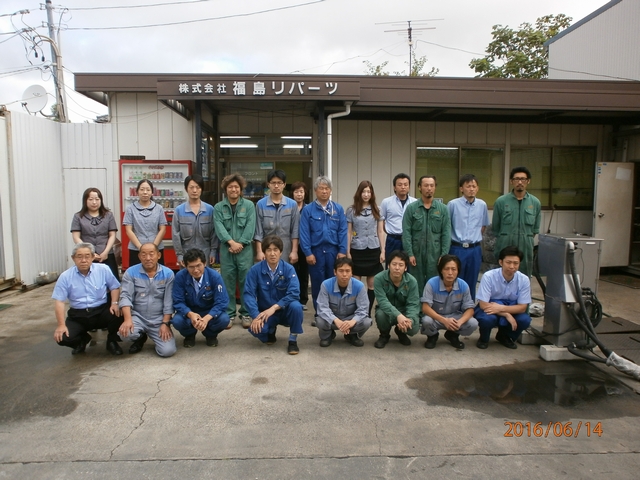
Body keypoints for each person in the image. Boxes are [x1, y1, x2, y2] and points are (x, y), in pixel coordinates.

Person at [52, 242, 123, 355]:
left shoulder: (103, 269)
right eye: (79, 257)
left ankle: (112, 341)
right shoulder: (65, 276)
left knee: (120, 312)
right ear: (73, 258)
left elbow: (115, 287)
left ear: (93, 256)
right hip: (78, 315)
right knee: (62, 337)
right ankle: (82, 340)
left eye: (87, 256)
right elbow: (59, 301)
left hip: (101, 311)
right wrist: (61, 325)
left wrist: (114, 303)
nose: (84, 260)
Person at [299, 176, 348, 324]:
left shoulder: (338, 209)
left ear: (331, 191)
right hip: (316, 253)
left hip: (334, 252)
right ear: (315, 191)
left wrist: (342, 251)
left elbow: (343, 231)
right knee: (318, 284)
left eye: (327, 188)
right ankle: (320, 315)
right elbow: (304, 233)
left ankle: (334, 314)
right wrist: (308, 252)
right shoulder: (308, 210)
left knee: (334, 283)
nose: (324, 191)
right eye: (321, 188)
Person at [244, 235, 304, 355]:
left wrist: (274, 307)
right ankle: (270, 331)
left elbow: (294, 293)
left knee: (297, 307)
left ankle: (293, 339)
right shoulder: (255, 270)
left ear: (281, 252)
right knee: (256, 330)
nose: (272, 254)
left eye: (275, 250)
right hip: (265, 313)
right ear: (264, 252)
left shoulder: (289, 269)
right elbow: (248, 294)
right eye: (269, 250)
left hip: (285, 310)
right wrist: (256, 316)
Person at [118, 243, 176, 357]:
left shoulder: (168, 274)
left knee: (168, 351)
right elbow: (125, 296)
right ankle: (140, 336)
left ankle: (156, 337)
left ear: (158, 255)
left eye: (151, 254)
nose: (148, 258)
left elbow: (168, 301)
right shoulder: (130, 272)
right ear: (139, 256)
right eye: (143, 254)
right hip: (138, 316)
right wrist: (128, 320)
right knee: (125, 334)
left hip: (158, 319)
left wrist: (165, 323)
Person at [214, 173, 256, 329]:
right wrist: (231, 242)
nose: (233, 189)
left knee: (246, 282)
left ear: (241, 189)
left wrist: (241, 244)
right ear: (226, 189)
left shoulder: (249, 206)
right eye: (230, 187)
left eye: (236, 187)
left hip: (245, 251)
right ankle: (229, 314)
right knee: (227, 282)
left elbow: (250, 227)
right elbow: (219, 227)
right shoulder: (219, 207)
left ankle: (246, 313)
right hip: (226, 250)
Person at [474, 246, 532, 350]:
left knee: (524, 320)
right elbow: (483, 304)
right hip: (490, 308)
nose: (512, 266)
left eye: (516, 263)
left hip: (507, 307)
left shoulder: (524, 279)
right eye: (508, 262)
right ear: (501, 262)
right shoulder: (489, 276)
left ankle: (504, 336)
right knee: (487, 319)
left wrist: (502, 308)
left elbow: (522, 307)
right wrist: (506, 314)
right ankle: (484, 338)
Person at [172, 248, 230, 348]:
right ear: (185, 266)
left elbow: (222, 302)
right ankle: (189, 335)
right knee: (177, 321)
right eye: (191, 267)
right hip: (190, 312)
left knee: (224, 319)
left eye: (198, 265)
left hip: (209, 312)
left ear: (205, 263)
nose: (195, 270)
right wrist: (190, 314)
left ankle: (210, 335)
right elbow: (178, 301)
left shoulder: (215, 276)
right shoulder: (180, 277)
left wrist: (207, 318)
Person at [402, 175, 451, 293]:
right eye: (426, 185)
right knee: (415, 282)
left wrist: (443, 254)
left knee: (434, 282)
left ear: (435, 188)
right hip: (416, 253)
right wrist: (410, 253)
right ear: (419, 187)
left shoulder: (443, 209)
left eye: (432, 185)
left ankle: (431, 308)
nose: (429, 188)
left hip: (435, 253)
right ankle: (416, 309)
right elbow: (406, 232)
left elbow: (446, 233)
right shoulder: (411, 208)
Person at [492, 166, 542, 277]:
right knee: (502, 277)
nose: (520, 182)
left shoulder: (535, 202)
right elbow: (496, 228)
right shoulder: (501, 201)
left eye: (523, 179)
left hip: (526, 246)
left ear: (528, 181)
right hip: (505, 245)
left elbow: (534, 229)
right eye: (516, 179)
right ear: (511, 181)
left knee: (524, 277)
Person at [420, 255, 477, 350]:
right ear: (441, 270)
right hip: (436, 317)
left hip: (454, 317)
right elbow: (425, 308)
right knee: (426, 321)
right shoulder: (431, 283)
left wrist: (459, 323)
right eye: (446, 269)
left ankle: (453, 335)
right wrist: (444, 320)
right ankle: (432, 336)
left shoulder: (463, 285)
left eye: (454, 269)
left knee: (473, 323)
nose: (450, 273)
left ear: (458, 270)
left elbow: (470, 309)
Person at [447, 174, 490, 300]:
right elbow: (447, 226)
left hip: (474, 249)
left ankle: (469, 308)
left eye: (474, 186)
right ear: (461, 188)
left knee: (472, 279)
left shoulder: (482, 205)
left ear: (477, 188)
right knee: (454, 279)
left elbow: (483, 226)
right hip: (457, 248)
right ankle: (453, 307)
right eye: (468, 186)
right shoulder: (453, 204)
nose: (471, 189)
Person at [346, 180, 385, 317]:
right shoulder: (351, 210)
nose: (366, 194)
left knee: (371, 284)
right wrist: (348, 251)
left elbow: (380, 231)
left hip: (373, 249)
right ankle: (357, 310)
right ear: (359, 193)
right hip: (357, 249)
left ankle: (367, 312)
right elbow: (349, 232)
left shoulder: (378, 209)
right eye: (364, 191)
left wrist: (383, 251)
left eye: (369, 191)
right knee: (356, 284)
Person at [316, 257, 372, 347]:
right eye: (341, 271)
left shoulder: (359, 286)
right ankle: (327, 335)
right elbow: (322, 308)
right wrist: (336, 320)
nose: (344, 274)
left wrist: (352, 322)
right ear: (335, 272)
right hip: (333, 319)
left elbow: (363, 309)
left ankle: (351, 335)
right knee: (319, 320)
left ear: (352, 272)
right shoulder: (326, 285)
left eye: (347, 271)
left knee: (366, 322)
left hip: (350, 318)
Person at [372, 250, 421, 348]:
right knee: (380, 314)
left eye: (401, 265)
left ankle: (401, 332)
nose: (397, 268)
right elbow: (382, 301)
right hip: (387, 311)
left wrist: (409, 320)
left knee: (414, 327)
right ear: (389, 265)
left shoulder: (412, 281)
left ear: (406, 268)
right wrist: (398, 315)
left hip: (404, 311)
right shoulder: (378, 278)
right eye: (394, 264)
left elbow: (413, 304)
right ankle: (384, 335)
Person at [71, 187, 119, 280]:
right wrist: (90, 252)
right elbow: (76, 237)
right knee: (88, 281)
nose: (94, 202)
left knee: (111, 282)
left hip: (106, 254)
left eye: (97, 199)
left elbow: (112, 235)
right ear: (85, 200)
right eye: (91, 199)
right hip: (87, 256)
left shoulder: (108, 215)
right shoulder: (78, 216)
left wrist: (105, 252)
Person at [254, 169, 300, 265]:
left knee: (284, 275)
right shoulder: (261, 204)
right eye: (273, 183)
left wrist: (294, 251)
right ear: (268, 184)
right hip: (266, 248)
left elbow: (295, 231)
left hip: (286, 248)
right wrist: (259, 251)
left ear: (284, 184)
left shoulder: (292, 204)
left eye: (279, 183)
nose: (276, 186)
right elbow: (258, 231)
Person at [172, 173, 217, 267]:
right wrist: (179, 255)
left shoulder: (210, 209)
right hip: (186, 253)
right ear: (186, 189)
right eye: (191, 187)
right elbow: (175, 234)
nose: (194, 190)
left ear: (202, 189)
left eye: (198, 187)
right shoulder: (179, 210)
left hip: (205, 254)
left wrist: (213, 252)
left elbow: (214, 233)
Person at [123, 179, 167, 266]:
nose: (145, 192)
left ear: (152, 192)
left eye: (148, 189)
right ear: (137, 191)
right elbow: (128, 230)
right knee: (136, 274)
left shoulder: (159, 208)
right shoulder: (130, 208)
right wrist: (141, 248)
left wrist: (153, 247)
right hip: (136, 249)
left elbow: (163, 229)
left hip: (156, 248)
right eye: (142, 189)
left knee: (157, 274)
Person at [380, 173, 416, 262]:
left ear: (409, 187)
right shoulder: (386, 202)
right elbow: (382, 221)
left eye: (405, 184)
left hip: (409, 240)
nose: (403, 187)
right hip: (393, 240)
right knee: (391, 265)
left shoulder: (415, 203)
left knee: (408, 267)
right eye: (400, 185)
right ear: (394, 187)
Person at [290, 181, 310, 310]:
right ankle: (292, 298)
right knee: (292, 273)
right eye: (296, 192)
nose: (299, 194)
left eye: (301, 192)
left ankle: (303, 299)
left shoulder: (308, 208)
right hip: (291, 246)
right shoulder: (289, 207)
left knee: (304, 273)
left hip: (305, 246)